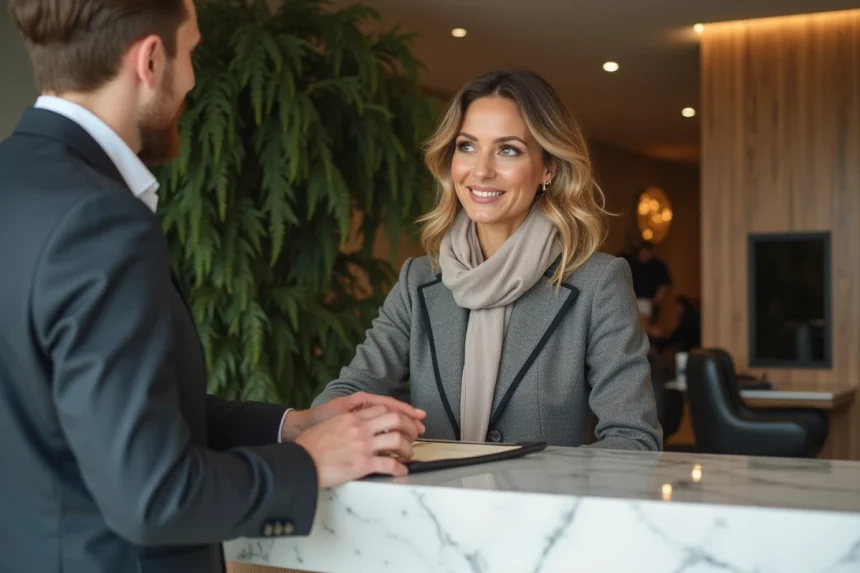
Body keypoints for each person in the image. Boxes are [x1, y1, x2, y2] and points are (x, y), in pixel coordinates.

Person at [0, 1, 425, 572]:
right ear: (151, 60)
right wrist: (307, 461)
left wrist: (290, 424)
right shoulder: (100, 219)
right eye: (191, 52)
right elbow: (154, 496)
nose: (193, 79)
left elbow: (96, 411)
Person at [314, 70, 662, 451]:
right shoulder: (419, 280)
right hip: (429, 505)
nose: (481, 170)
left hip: (541, 509)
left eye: (507, 149)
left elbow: (633, 440)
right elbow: (348, 395)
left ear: (549, 168)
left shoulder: (598, 282)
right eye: (467, 146)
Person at [621, 240, 672, 325]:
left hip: (648, 303)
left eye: (646, 252)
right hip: (630, 302)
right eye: (642, 252)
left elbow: (663, 286)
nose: (644, 255)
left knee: (643, 328)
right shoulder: (630, 263)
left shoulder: (658, 266)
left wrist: (654, 301)